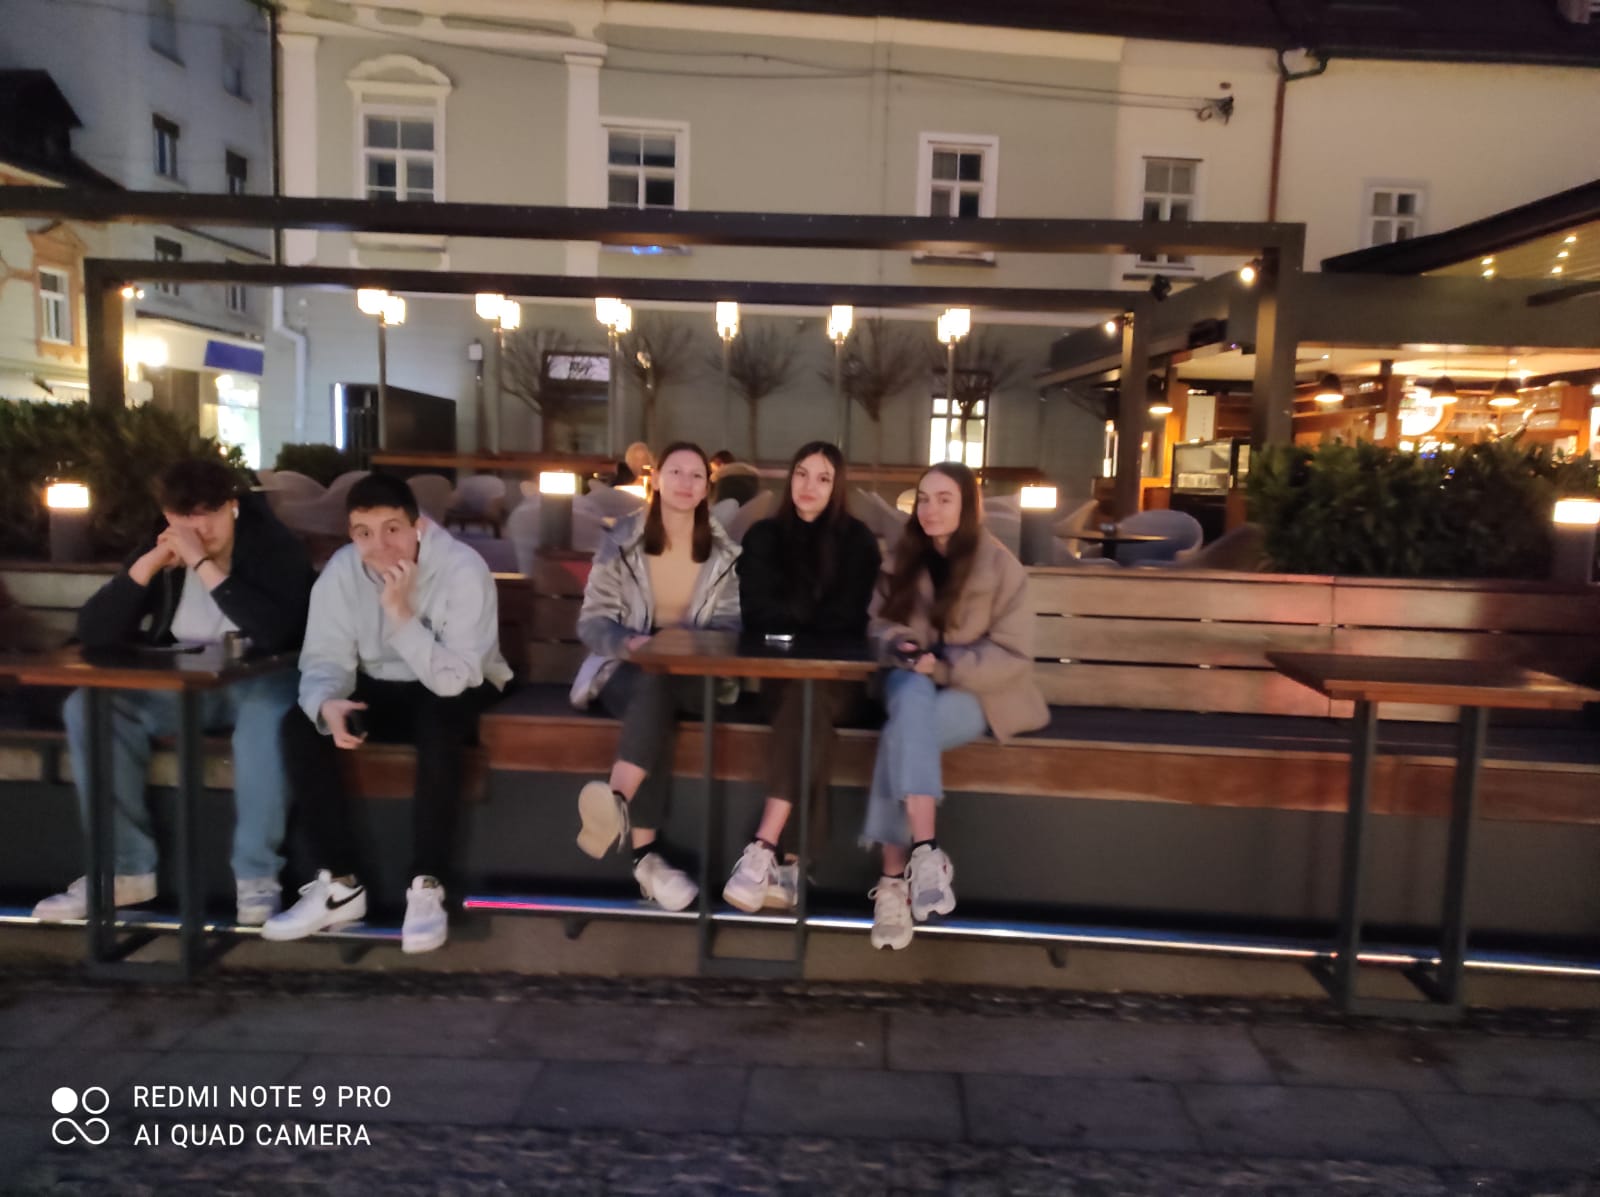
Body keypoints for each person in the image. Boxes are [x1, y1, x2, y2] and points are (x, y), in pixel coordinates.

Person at [32, 459, 314, 926]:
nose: (197, 529)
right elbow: (94, 631)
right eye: (184, 518)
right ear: (168, 515)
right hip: (186, 682)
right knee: (90, 706)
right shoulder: (162, 545)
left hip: (264, 676)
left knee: (267, 718)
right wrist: (146, 567)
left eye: (209, 515)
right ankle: (127, 871)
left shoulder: (271, 545)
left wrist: (204, 565)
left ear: (232, 507)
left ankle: (257, 876)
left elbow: (274, 631)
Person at [263, 473, 511, 953]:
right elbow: (325, 659)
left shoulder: (462, 568)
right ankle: (340, 885)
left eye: (392, 529)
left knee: (439, 721)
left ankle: (427, 886)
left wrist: (400, 613)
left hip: (461, 680)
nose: (379, 546)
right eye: (364, 533)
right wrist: (326, 703)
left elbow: (454, 677)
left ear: (417, 526)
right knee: (301, 724)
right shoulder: (342, 571)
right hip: (382, 684)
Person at [862, 462, 1048, 951]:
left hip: (978, 692)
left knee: (901, 732)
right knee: (910, 701)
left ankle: (892, 883)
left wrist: (942, 667)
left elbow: (1013, 655)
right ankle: (926, 853)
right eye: (923, 499)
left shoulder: (1000, 566)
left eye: (944, 499)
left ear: (967, 506)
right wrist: (901, 644)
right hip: (909, 681)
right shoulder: (904, 557)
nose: (931, 509)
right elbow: (878, 623)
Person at [570, 442, 741, 911]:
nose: (686, 483)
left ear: (706, 488)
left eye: (696, 475)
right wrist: (630, 643)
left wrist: (689, 647)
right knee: (654, 689)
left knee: (661, 682)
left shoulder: (722, 552)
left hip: (696, 674)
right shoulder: (621, 540)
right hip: (627, 669)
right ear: (657, 479)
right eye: (676, 472)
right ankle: (645, 856)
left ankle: (620, 806)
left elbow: (730, 626)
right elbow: (592, 622)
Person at [721, 441, 880, 913]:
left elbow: (847, 619)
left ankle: (764, 845)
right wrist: (812, 616)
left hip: (840, 682)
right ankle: (791, 865)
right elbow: (757, 612)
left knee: (811, 700)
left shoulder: (857, 541)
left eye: (823, 478)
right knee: (806, 711)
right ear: (790, 478)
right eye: (802, 474)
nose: (810, 486)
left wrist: (793, 615)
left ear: (837, 487)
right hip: (779, 678)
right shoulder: (764, 537)